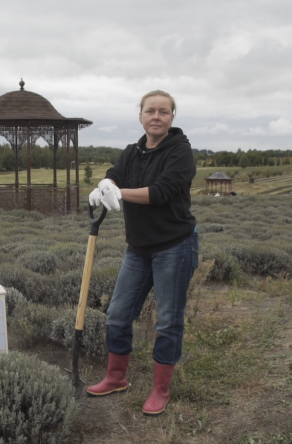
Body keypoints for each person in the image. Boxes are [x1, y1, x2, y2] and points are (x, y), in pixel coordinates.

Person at [87, 90, 198, 416]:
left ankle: (160, 389)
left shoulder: (181, 152)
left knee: (167, 321)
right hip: (139, 249)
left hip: (175, 247)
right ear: (141, 116)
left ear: (171, 118)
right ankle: (116, 377)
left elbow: (162, 192)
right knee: (118, 314)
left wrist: (118, 192)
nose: (157, 116)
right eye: (151, 111)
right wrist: (105, 183)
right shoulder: (132, 151)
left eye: (164, 111)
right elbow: (116, 173)